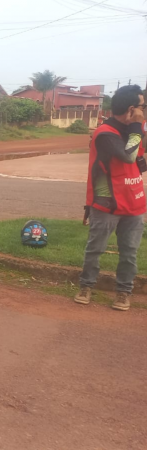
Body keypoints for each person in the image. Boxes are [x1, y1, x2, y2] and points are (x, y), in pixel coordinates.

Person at [74, 85, 146, 311]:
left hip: (134, 202)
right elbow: (128, 156)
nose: (144, 111)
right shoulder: (105, 133)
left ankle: (124, 292)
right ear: (132, 109)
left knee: (129, 253)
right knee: (95, 250)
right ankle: (86, 287)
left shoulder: (135, 131)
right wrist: (137, 127)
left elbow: (139, 158)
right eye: (142, 107)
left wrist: (138, 129)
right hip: (107, 203)